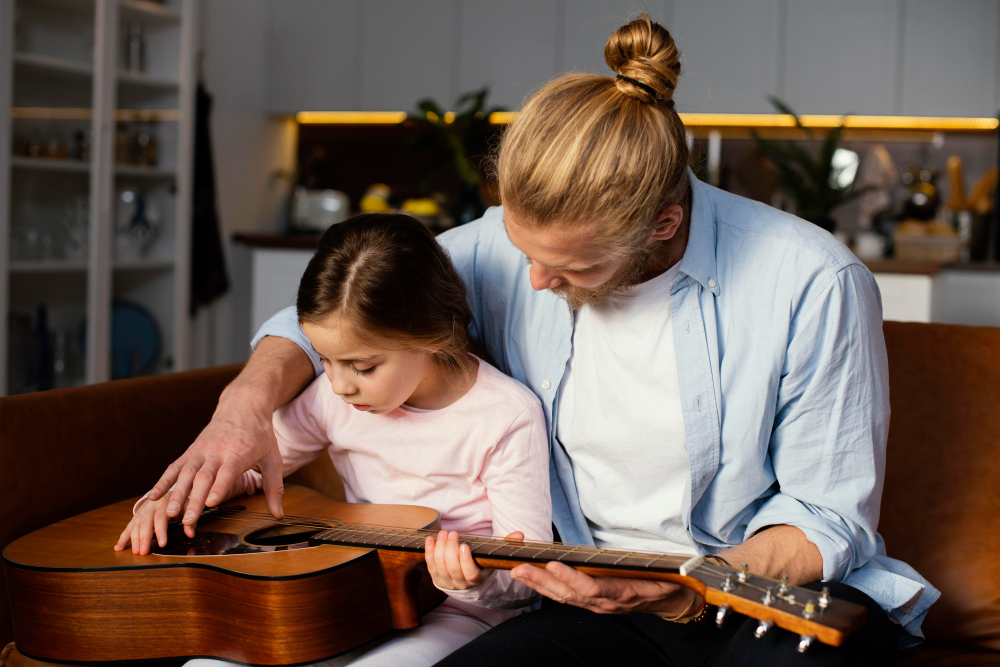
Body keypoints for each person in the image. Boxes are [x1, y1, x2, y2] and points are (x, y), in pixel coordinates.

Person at [142, 14, 938, 667]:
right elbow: (344, 316)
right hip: (587, 591)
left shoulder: (812, 282)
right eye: (523, 251)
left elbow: (827, 518)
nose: (532, 283)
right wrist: (243, 404)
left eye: (570, 266)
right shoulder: (499, 247)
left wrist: (681, 589)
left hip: (749, 594)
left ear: (665, 224)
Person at [115, 214, 552, 667]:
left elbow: (526, 573)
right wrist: (181, 499)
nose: (340, 385)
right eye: (325, 359)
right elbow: (257, 467)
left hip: (462, 612)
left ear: (431, 335)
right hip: (359, 596)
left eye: (363, 367)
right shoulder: (332, 395)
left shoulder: (506, 415)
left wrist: (473, 581)